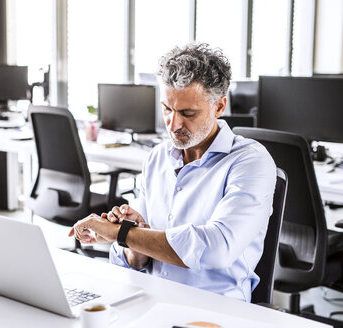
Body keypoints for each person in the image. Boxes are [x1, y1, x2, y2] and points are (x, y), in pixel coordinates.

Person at [69, 42, 276, 302]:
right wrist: (135, 233)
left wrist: (121, 234)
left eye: (188, 113)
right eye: (167, 109)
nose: (174, 124)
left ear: (220, 107)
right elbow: (134, 261)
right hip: (150, 298)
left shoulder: (250, 162)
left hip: (213, 307)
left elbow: (216, 249)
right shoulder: (158, 158)